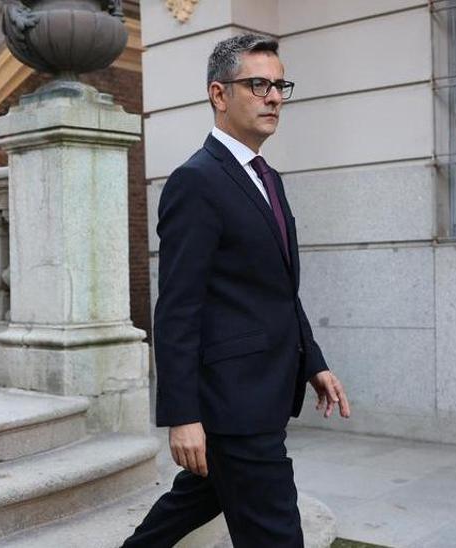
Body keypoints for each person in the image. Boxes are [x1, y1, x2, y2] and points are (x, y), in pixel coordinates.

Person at [122, 34, 352, 547]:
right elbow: (178, 308)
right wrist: (182, 416)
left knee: (194, 499)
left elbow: (277, 290)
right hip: (235, 403)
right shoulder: (196, 182)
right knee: (277, 535)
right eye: (258, 84)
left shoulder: (266, 176)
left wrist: (312, 361)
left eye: (279, 85)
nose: (273, 97)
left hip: (266, 390)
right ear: (219, 95)